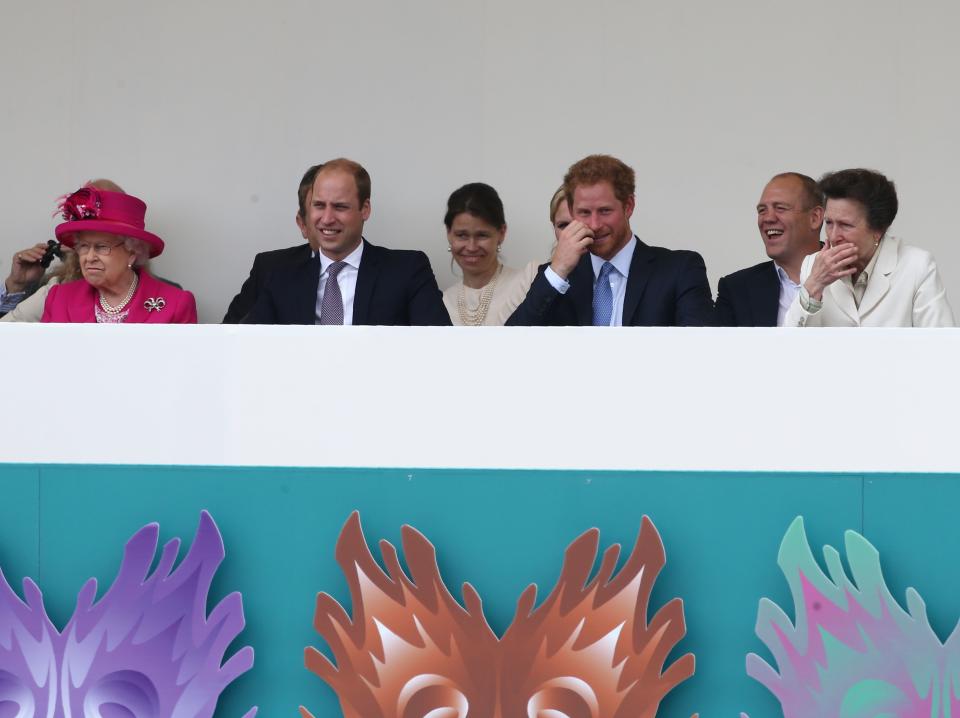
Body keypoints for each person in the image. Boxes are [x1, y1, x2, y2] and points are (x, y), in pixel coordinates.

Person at [506, 154, 713, 326]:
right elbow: (508, 345)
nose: (595, 224)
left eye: (605, 211)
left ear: (628, 206)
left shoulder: (680, 270)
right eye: (584, 212)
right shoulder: (556, 277)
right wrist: (558, 269)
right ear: (571, 211)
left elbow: (699, 348)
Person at [243, 158, 449, 325]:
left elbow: (436, 345)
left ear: (365, 209)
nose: (327, 218)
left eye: (340, 207)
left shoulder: (407, 270)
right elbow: (244, 344)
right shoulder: (282, 277)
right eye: (319, 205)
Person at [785, 168, 954, 327]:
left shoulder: (917, 266)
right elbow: (787, 344)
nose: (834, 236)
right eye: (829, 223)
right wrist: (814, 285)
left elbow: (942, 344)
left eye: (845, 225)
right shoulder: (812, 265)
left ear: (878, 230)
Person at [41, 186, 197, 323]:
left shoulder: (176, 304)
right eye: (83, 246)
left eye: (101, 247)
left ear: (133, 252)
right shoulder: (59, 298)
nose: (89, 257)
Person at [714, 173, 824, 326]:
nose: (768, 218)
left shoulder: (851, 275)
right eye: (762, 210)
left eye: (780, 208)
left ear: (815, 218)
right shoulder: (737, 289)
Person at [441, 183, 538, 326]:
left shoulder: (528, 282)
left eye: (482, 235)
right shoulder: (442, 302)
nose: (471, 247)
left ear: (501, 233)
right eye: (462, 235)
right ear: (449, 233)